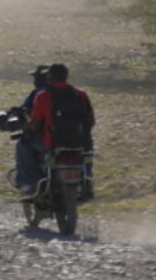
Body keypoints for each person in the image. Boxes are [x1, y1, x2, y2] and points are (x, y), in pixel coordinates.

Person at [28, 63, 96, 199]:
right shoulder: (81, 94)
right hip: (80, 142)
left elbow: (35, 124)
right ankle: (87, 182)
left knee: (25, 144)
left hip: (53, 143)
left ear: (49, 77)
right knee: (86, 155)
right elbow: (91, 121)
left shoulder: (43, 95)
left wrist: (27, 128)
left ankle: (30, 185)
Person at [14, 65, 50, 198]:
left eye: (36, 78)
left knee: (23, 144)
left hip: (48, 140)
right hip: (76, 140)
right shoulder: (75, 92)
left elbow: (31, 117)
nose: (34, 81)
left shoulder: (39, 94)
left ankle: (29, 183)